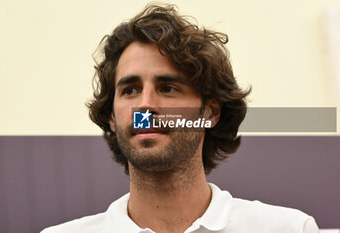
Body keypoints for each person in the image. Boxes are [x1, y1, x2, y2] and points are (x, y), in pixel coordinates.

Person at [41, 3, 320, 233]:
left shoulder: (289, 228)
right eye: (130, 90)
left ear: (209, 112)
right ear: (112, 118)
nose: (145, 107)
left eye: (168, 88)